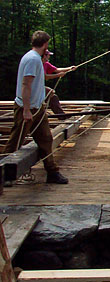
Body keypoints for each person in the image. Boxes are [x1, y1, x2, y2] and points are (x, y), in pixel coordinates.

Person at [1, 31, 68, 184]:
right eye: (48, 44)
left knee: (46, 139)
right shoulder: (32, 59)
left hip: (37, 108)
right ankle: (4, 174)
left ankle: (52, 172)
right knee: (15, 141)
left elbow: (38, 80)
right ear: (45, 45)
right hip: (28, 108)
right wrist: (25, 109)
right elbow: (26, 85)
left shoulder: (36, 59)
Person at [42, 50, 76, 117]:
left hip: (39, 87)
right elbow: (45, 76)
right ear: (44, 56)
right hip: (32, 88)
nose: (49, 57)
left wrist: (70, 68)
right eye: (48, 55)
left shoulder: (46, 64)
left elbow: (56, 70)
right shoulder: (38, 64)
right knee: (50, 93)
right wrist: (58, 75)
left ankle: (61, 115)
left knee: (53, 97)